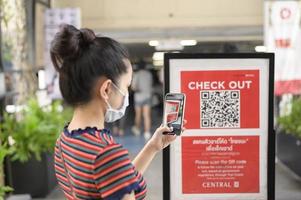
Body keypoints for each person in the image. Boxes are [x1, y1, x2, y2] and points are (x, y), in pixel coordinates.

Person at [51, 24, 182, 200]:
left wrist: (152, 147)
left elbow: (115, 181)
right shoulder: (105, 152)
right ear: (106, 90)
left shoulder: (65, 139)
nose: (127, 94)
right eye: (126, 86)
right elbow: (112, 171)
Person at [131, 61, 153, 140]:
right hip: (147, 96)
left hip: (139, 97)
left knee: (138, 115)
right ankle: (147, 132)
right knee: (146, 115)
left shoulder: (137, 75)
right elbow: (150, 85)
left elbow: (133, 87)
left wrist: (138, 89)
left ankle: (137, 129)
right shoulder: (149, 74)